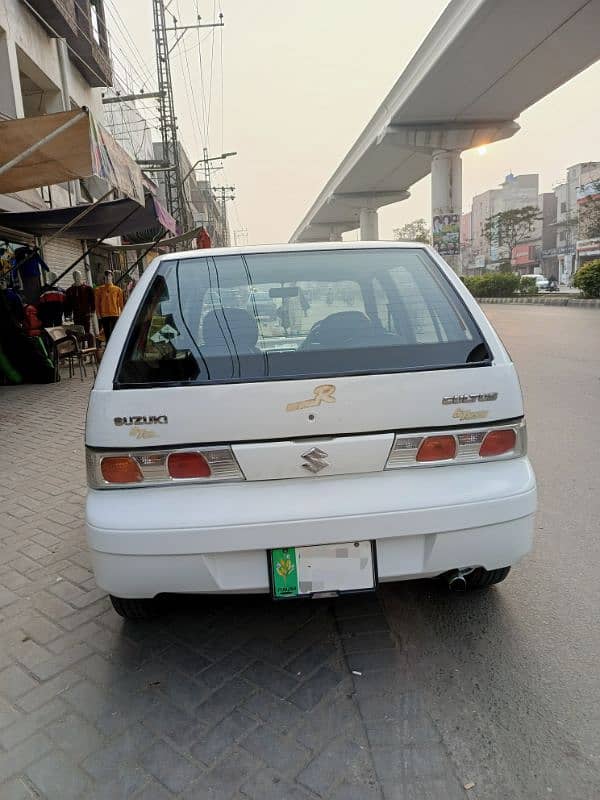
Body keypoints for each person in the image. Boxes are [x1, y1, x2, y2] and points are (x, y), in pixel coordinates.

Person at [95, 270, 123, 343]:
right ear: (104, 277)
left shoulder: (118, 289)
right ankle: (108, 348)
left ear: (112, 277)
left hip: (115, 314)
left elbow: (121, 303)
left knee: (115, 333)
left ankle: (115, 347)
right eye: (106, 276)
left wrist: (122, 314)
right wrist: (98, 314)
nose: (108, 278)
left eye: (109, 276)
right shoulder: (99, 290)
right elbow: (97, 303)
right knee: (107, 334)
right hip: (104, 315)